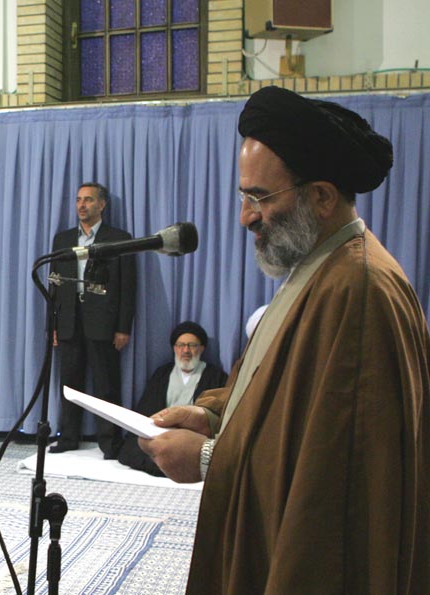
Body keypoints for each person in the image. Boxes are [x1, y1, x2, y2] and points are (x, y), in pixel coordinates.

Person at [139, 86, 429, 594]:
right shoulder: (317, 269)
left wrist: (209, 459)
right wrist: (212, 415)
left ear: (321, 196)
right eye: (243, 197)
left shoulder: (359, 290)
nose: (245, 217)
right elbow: (282, 398)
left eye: (260, 198)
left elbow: (342, 480)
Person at [50, 182, 136, 456]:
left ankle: (109, 442)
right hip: (69, 321)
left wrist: (123, 327)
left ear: (102, 204)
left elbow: (127, 286)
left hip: (104, 323)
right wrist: (52, 325)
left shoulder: (118, 238)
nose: (82, 205)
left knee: (105, 384)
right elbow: (54, 285)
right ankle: (68, 438)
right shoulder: (62, 239)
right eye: (78, 200)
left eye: (88, 200)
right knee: (69, 384)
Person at [115, 321, 226, 476]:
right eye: (181, 345)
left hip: (192, 438)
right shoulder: (162, 373)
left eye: (192, 345)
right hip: (160, 433)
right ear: (174, 348)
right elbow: (146, 411)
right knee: (132, 449)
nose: (186, 350)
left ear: (201, 348)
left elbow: (216, 418)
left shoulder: (215, 376)